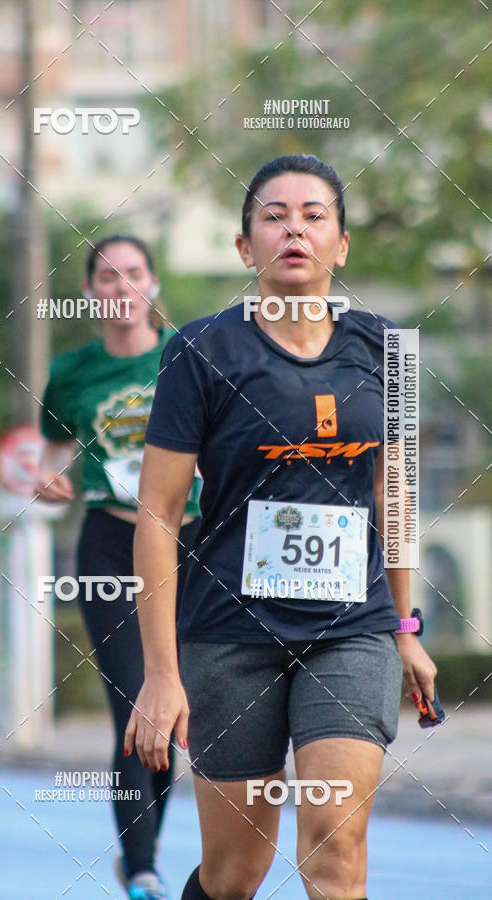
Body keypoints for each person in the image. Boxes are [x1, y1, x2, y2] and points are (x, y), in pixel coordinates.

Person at [124, 155, 438, 900]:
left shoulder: (384, 348)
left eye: (313, 215)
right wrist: (161, 675)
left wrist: (405, 625)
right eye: (273, 216)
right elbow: (159, 511)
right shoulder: (200, 352)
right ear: (244, 249)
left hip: (351, 631)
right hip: (230, 636)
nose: (293, 228)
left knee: (335, 844)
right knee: (236, 873)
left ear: (342, 244)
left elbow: (394, 497)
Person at [37, 234, 202, 900]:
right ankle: (142, 873)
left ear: (154, 285)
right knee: (138, 706)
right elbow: (40, 454)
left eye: (135, 274)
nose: (122, 287)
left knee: (178, 711)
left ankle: (145, 854)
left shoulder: (189, 356)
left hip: (194, 546)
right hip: (111, 547)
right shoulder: (73, 373)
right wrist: (43, 479)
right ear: (90, 295)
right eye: (108, 278)